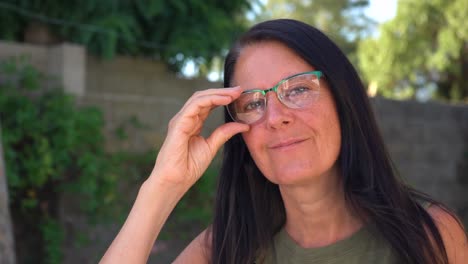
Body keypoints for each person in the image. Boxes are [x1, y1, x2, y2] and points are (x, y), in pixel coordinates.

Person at [100, 19, 467, 264]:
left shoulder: (428, 236)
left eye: (299, 89)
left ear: (343, 99)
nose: (276, 117)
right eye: (254, 103)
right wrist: (162, 186)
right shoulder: (225, 249)